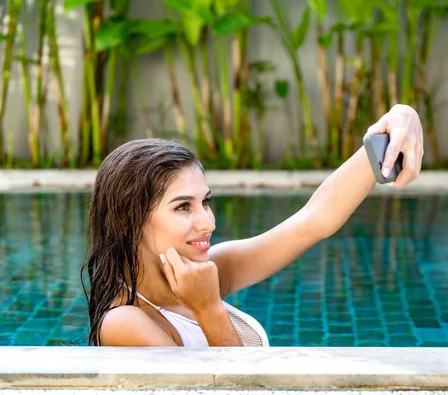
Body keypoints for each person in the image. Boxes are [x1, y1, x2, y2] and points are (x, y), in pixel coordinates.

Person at [82, 104, 424, 347]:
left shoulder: (212, 269)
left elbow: (312, 222)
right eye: (183, 207)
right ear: (129, 219)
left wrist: (397, 121)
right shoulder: (125, 323)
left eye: (205, 202)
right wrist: (208, 309)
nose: (207, 221)